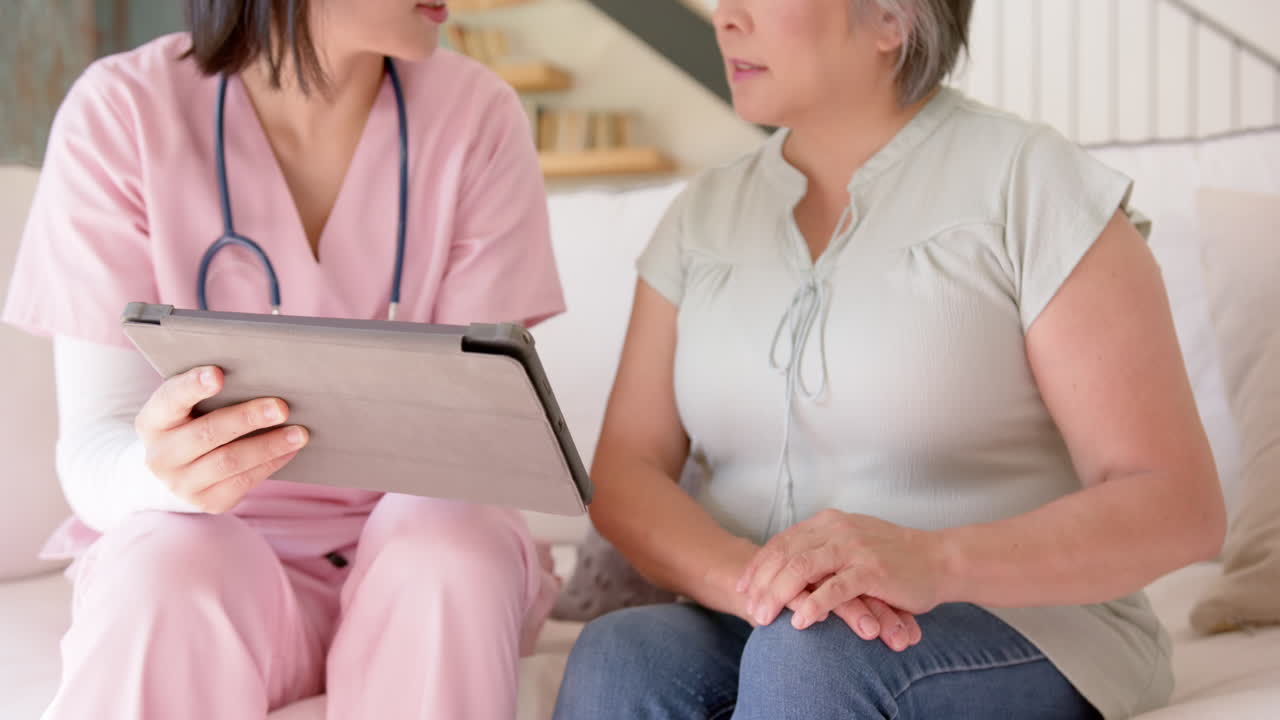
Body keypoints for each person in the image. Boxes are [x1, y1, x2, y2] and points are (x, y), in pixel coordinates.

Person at [552, 1, 1225, 719]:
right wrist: (757, 584)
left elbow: (1177, 504)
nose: (725, 17)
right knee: (623, 653)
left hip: (1032, 624)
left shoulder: (1033, 184)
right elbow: (627, 470)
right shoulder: (702, 215)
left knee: (814, 662)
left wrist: (934, 561)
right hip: (762, 618)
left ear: (890, 20)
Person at [3, 1, 564, 718]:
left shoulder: (478, 117)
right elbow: (94, 443)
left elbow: (485, 430)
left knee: (451, 536)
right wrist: (166, 474)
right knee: (168, 563)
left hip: (419, 569)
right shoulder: (123, 113)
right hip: (220, 565)